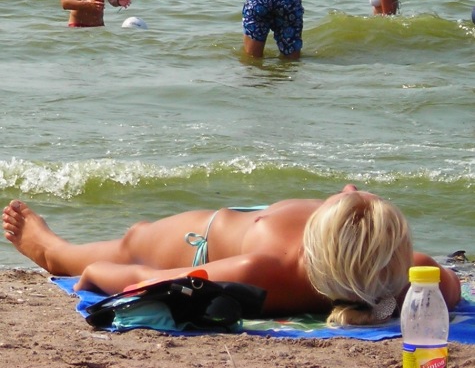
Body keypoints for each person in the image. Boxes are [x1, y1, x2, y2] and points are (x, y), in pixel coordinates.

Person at [2, 187, 461, 323]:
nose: (350, 189)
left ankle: (53, 250)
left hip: (208, 236)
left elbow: (149, 278)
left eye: (349, 199)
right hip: (269, 229)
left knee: (134, 240)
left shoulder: (263, 271)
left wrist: (94, 273)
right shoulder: (404, 271)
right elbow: (452, 287)